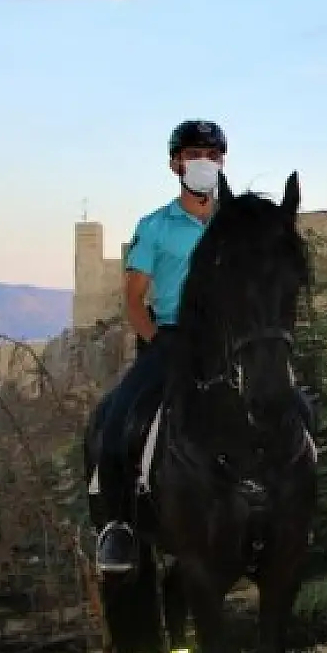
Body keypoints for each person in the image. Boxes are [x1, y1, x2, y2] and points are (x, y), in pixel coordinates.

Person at [93, 120, 227, 574]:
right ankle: (118, 528)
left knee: (291, 406)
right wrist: (157, 344)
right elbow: (133, 301)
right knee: (116, 418)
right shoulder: (154, 227)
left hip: (229, 341)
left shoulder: (236, 223)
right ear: (175, 164)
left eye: (211, 155)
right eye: (194, 155)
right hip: (171, 337)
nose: (203, 163)